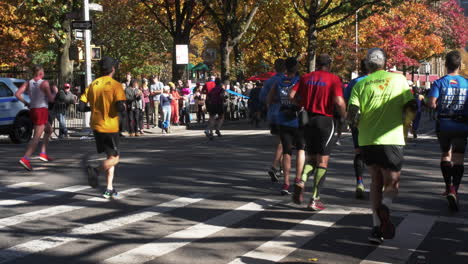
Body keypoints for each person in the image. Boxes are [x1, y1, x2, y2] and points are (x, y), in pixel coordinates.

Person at [347, 48, 416, 244]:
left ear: (367, 64)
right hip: (391, 139)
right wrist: (406, 125)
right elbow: (412, 106)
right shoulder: (399, 80)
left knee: (376, 182)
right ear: (385, 63)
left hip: (367, 140)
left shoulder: (360, 85)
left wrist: (361, 127)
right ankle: (386, 206)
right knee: (392, 184)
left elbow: (352, 116)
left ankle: (376, 227)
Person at [289, 54, 346, 210]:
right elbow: (339, 102)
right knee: (322, 162)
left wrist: (300, 104)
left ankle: (301, 180)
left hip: (308, 120)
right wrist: (344, 116)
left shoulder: (306, 77)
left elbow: (291, 95)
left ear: (316, 64)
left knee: (312, 159)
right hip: (325, 121)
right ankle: (315, 198)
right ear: (330, 64)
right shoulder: (333, 79)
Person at [78, 56, 127, 199]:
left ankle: (109, 188)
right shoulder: (116, 85)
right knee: (115, 159)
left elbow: (81, 107)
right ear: (113, 69)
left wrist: (93, 109)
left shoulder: (93, 84)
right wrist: (123, 106)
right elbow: (120, 107)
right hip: (110, 127)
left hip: (96, 126)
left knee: (109, 156)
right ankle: (95, 170)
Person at [427, 50, 468, 212]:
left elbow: (431, 103)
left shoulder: (439, 83)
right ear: (460, 65)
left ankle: (447, 186)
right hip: (462, 125)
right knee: (458, 158)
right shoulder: (466, 83)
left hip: (444, 124)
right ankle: (454, 190)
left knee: (446, 155)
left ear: (445, 65)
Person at [267, 57, 304, 196]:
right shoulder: (299, 81)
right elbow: (299, 97)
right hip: (297, 119)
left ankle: (286, 183)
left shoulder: (279, 81)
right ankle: (298, 179)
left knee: (287, 151)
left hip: (282, 118)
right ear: (296, 67)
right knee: (301, 149)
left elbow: (269, 99)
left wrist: (280, 102)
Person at [16, 65, 58, 171]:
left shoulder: (28, 83)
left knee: (49, 130)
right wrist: (55, 91)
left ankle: (43, 153)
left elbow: (17, 94)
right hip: (41, 110)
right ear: (40, 73)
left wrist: (26, 102)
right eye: (43, 71)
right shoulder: (44, 83)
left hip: (33, 110)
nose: (43, 73)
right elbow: (51, 99)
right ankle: (25, 158)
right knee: (36, 137)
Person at [344, 59, 368, 199]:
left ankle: (359, 182)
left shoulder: (354, 82)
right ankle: (380, 184)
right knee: (376, 153)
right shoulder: (379, 81)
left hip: (357, 120)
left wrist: (348, 120)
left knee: (359, 152)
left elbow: (347, 100)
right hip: (375, 121)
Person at [261, 59, 286, 182]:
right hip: (285, 113)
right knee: (283, 142)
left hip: (272, 113)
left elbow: (262, 97)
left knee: (279, 141)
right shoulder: (287, 81)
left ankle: (281, 168)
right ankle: (274, 166)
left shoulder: (269, 81)